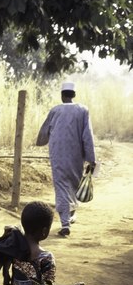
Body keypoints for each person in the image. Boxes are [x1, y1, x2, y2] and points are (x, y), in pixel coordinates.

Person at [36, 81, 96, 237]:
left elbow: (44, 132)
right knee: (74, 184)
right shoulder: (83, 110)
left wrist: (40, 141)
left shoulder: (55, 110)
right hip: (77, 155)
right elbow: (87, 136)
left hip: (58, 154)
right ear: (74, 95)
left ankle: (65, 223)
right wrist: (91, 158)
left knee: (61, 186)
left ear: (62, 95)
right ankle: (68, 218)